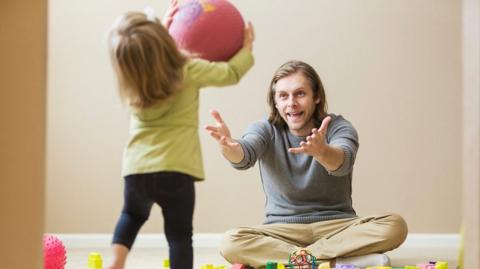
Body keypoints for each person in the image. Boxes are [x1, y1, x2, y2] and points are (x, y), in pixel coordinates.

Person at [205, 60, 407, 269]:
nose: (291, 102)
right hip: (282, 230)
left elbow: (343, 162)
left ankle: (300, 260)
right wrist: (229, 147)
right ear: (275, 102)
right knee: (230, 242)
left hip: (337, 227)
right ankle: (336, 262)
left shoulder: (338, 126)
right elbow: (244, 155)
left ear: (316, 97)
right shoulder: (265, 128)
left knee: (394, 225)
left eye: (300, 93)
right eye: (283, 96)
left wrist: (322, 151)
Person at [106, 1, 255, 268]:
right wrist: (246, 49)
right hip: (176, 169)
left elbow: (146, 55)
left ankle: (115, 262)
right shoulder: (186, 70)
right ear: (163, 41)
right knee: (179, 236)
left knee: (130, 215)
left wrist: (161, 31)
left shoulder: (131, 84)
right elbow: (231, 73)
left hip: (137, 169)